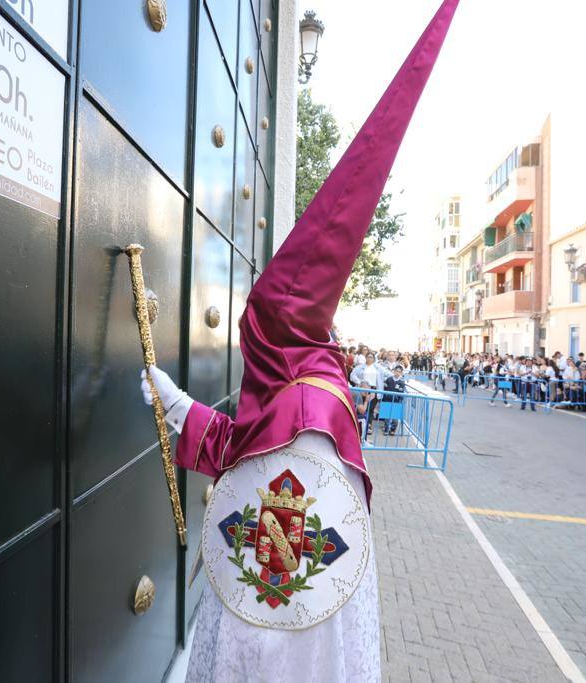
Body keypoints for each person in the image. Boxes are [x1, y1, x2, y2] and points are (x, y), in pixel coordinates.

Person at [136, 4, 457, 678]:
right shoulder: (312, 387)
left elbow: (276, 578)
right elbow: (249, 451)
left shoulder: (303, 412)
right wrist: (174, 404)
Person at [382, 365, 407, 435]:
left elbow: (401, 392)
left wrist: (399, 398)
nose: (397, 373)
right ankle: (386, 429)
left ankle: (393, 429)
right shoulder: (389, 379)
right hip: (387, 399)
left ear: (401, 373)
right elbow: (385, 388)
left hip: (396, 401)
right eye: (396, 371)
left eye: (399, 372)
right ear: (394, 371)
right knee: (387, 416)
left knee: (395, 418)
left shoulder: (401, 382)